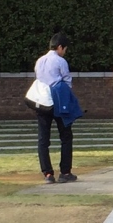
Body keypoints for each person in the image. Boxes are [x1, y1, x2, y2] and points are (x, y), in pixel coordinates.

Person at [34, 32, 82, 184]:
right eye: (65, 49)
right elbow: (67, 82)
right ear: (60, 47)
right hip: (58, 101)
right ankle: (65, 172)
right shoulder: (60, 61)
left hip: (42, 101)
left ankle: (47, 173)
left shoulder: (39, 61)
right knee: (66, 136)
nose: (64, 52)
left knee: (43, 138)